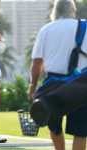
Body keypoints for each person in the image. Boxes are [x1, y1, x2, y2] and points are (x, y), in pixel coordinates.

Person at [28, 0, 87, 150]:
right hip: (81, 85)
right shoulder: (85, 27)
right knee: (80, 131)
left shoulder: (46, 30)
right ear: (73, 12)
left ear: (54, 13)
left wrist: (33, 85)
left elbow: (37, 62)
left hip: (53, 85)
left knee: (54, 126)